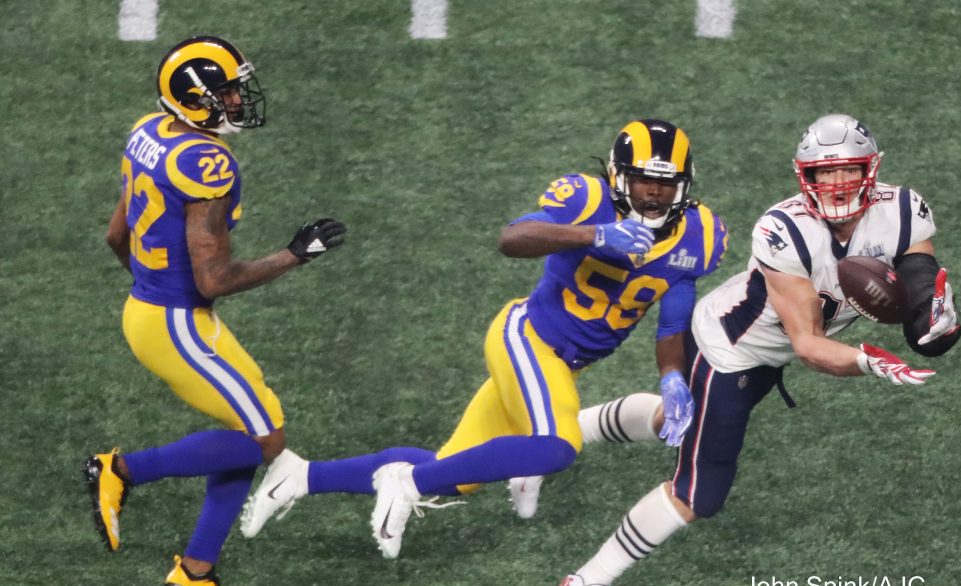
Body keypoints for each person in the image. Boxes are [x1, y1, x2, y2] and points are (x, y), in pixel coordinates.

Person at [546, 113, 961, 586]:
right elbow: (811, 344)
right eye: (823, 173)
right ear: (802, 176)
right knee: (701, 490)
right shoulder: (783, 229)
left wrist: (934, 314)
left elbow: (916, 275)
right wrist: (869, 361)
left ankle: (561, 433)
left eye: (847, 171)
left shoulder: (905, 208)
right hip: (729, 352)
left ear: (872, 169)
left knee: (672, 421)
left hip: (767, 355)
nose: (835, 185)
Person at [238, 119, 730, 560]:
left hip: (566, 363)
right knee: (558, 446)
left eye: (666, 183)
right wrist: (595, 235)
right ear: (619, 176)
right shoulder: (585, 197)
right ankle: (405, 481)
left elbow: (673, 323)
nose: (654, 194)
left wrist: (672, 378)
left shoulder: (700, 235)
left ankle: (300, 476)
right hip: (528, 340)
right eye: (645, 179)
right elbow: (511, 239)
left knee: (456, 472)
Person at [83, 36, 345, 586]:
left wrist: (155, 287)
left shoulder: (148, 130)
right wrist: (296, 254)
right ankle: (120, 470)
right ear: (196, 99)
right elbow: (215, 279)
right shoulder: (209, 162)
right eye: (225, 90)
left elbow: (114, 235)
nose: (235, 98)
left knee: (258, 424)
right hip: (177, 324)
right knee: (264, 440)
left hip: (154, 312)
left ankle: (195, 573)